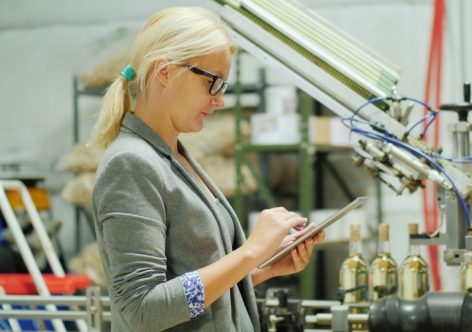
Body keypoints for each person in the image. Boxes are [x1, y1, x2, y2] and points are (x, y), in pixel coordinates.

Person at [89, 7, 325, 332]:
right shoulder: (131, 164)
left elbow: (192, 284)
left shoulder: (176, 158)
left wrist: (260, 266)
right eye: (213, 82)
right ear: (166, 72)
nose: (220, 100)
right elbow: (143, 311)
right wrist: (250, 252)